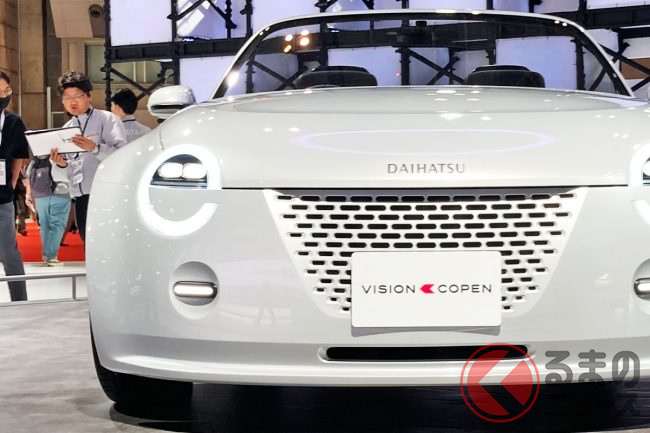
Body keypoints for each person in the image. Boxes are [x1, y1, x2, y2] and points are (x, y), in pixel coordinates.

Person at [50, 71, 126, 242]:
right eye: (67, 98)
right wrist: (61, 164)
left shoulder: (107, 119)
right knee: (89, 245)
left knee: (108, 243)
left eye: (77, 96)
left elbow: (122, 157)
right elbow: (64, 175)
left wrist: (95, 148)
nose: (73, 102)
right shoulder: (66, 128)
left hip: (105, 195)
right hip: (80, 198)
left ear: (89, 95)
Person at [0, 71, 29, 301]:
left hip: (2, 196)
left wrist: (12, 181)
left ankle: (20, 300)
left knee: (9, 251)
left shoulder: (13, 122)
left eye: (6, 90)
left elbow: (20, 154)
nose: (3, 95)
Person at [24, 155, 70, 266]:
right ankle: (51, 256)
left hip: (40, 195)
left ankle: (47, 255)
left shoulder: (36, 159)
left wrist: (28, 194)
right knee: (57, 224)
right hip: (60, 192)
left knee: (44, 225)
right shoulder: (62, 152)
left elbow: (27, 177)